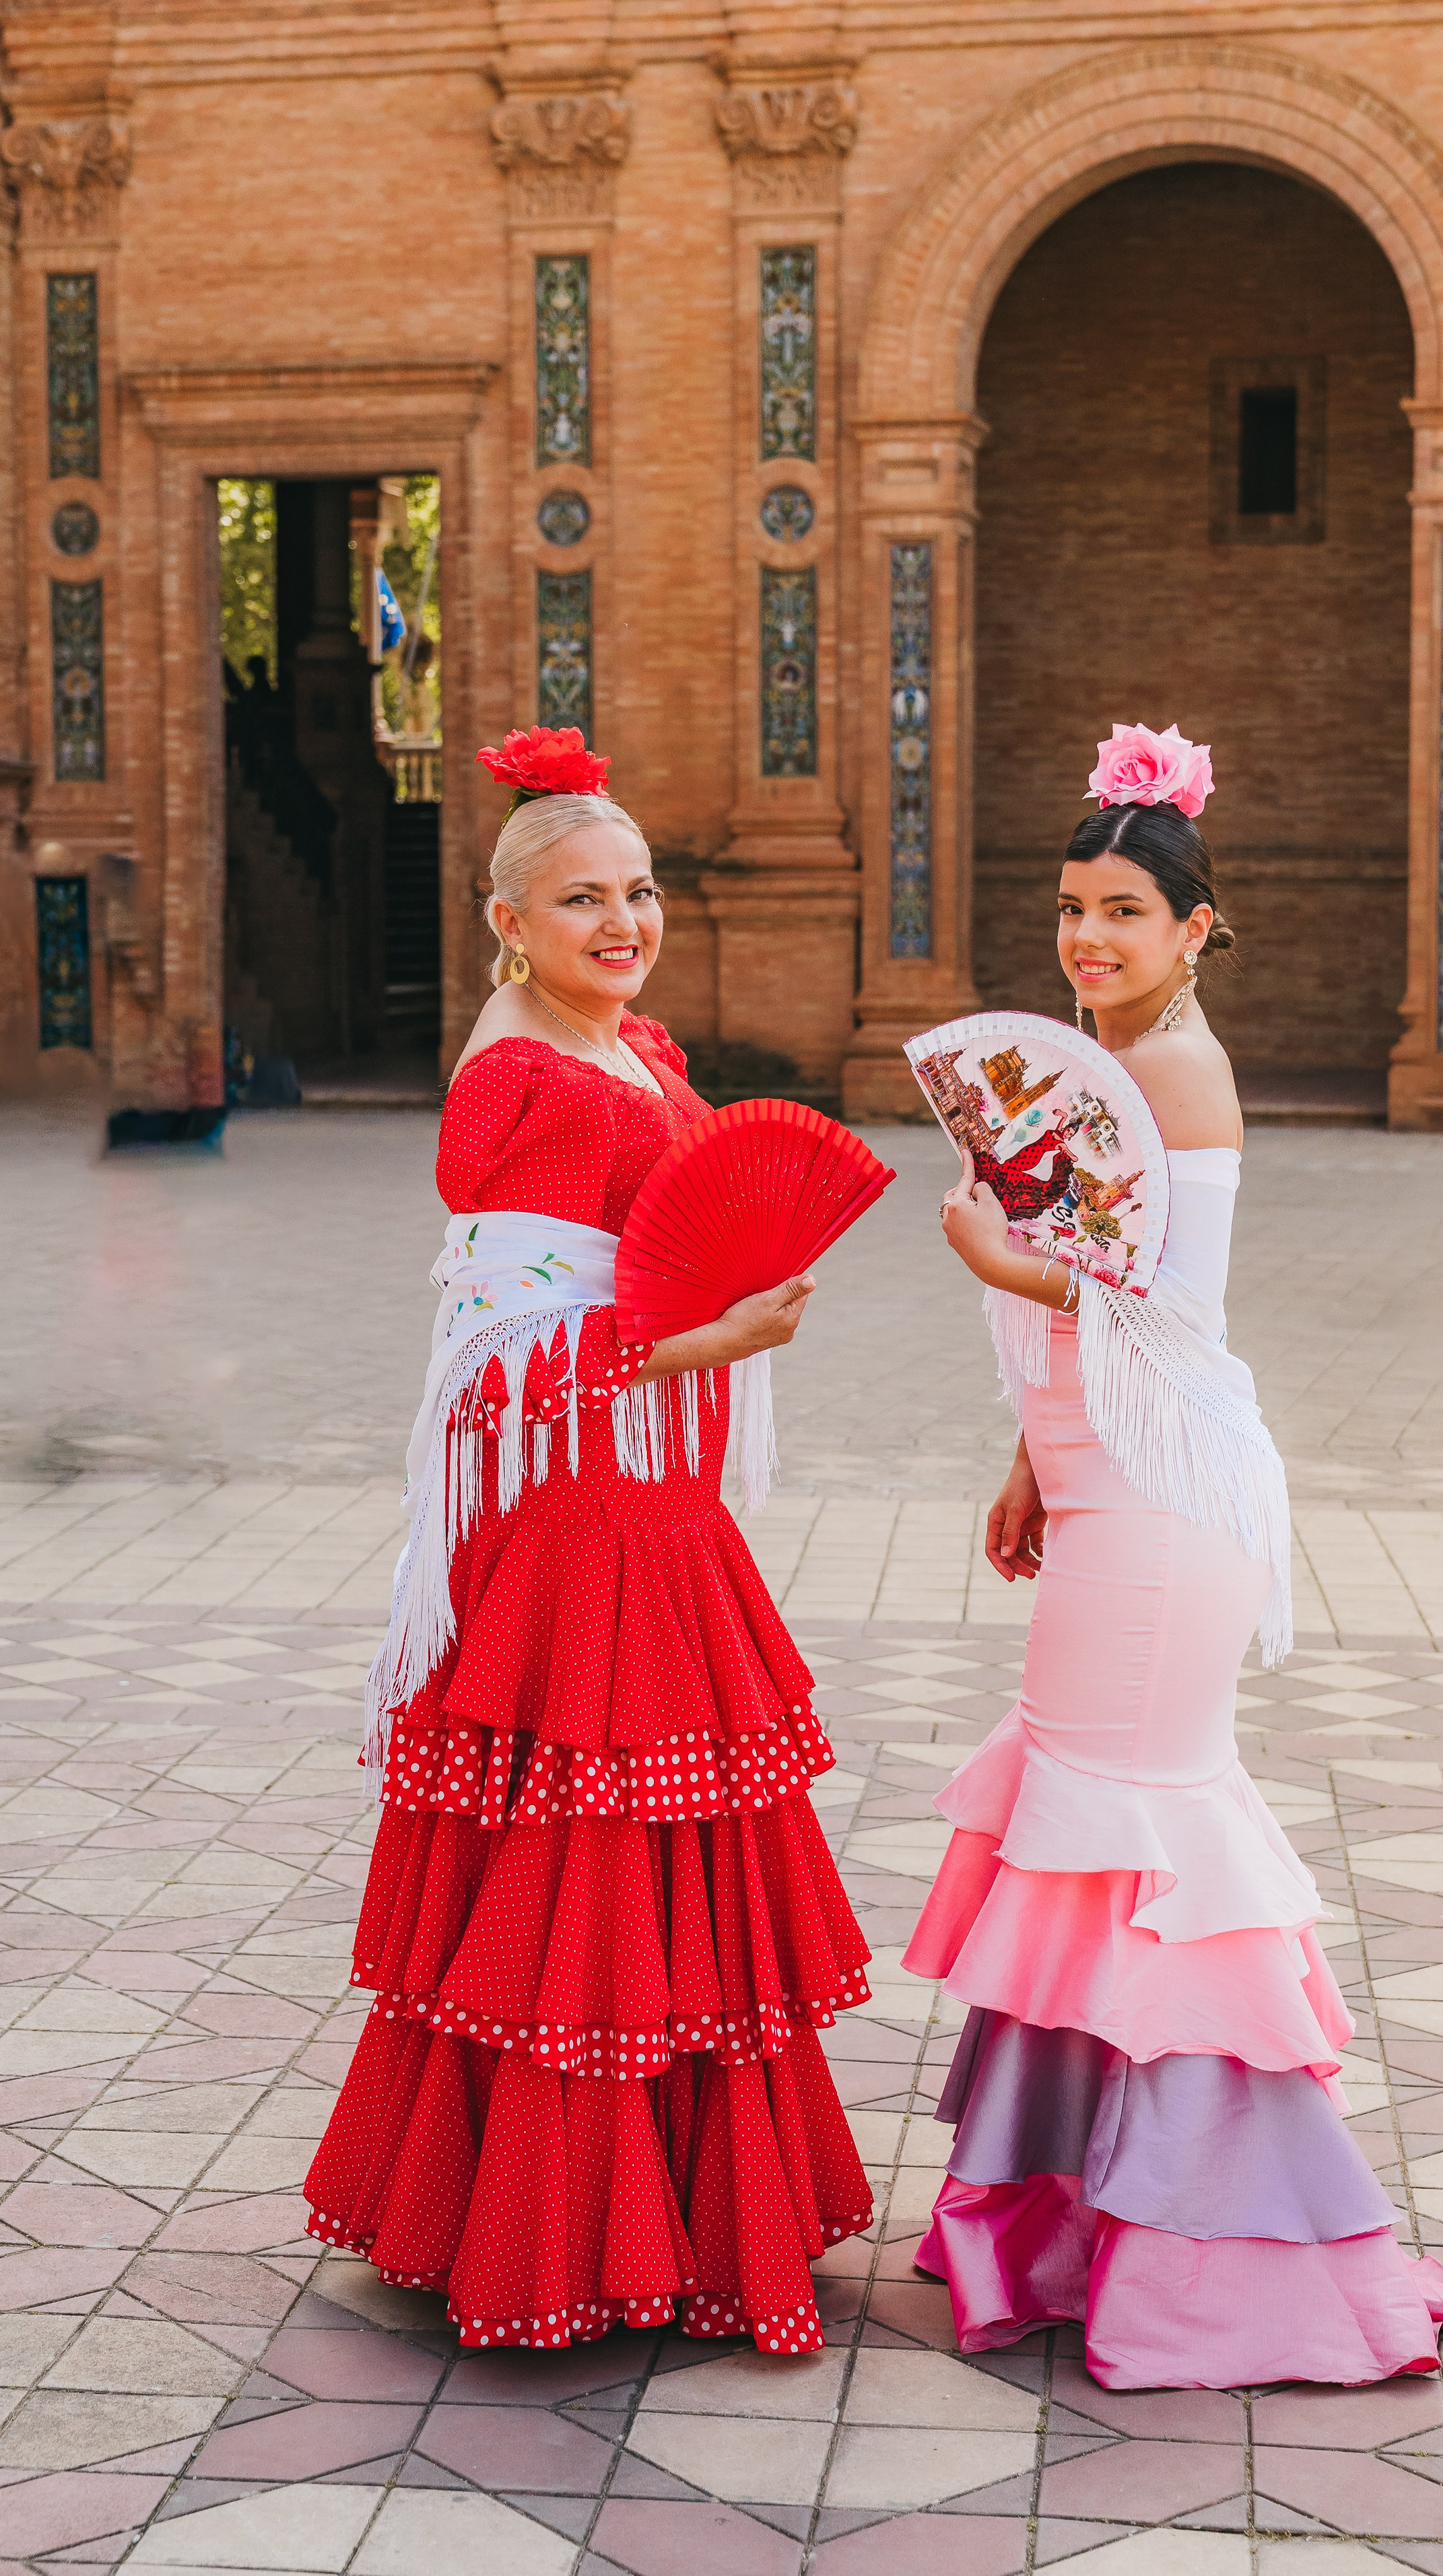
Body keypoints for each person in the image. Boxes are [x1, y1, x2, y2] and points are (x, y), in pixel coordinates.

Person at [903, 722, 1443, 2387]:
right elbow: (1095, 1312)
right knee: (1089, 1853)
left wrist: (995, 1264)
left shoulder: (1175, 1073)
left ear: (1193, 927)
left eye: (1124, 914)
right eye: (1069, 908)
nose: (1087, 938)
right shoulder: (1106, 1058)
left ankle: (1219, 2255)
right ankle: (1077, 2220)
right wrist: (1029, 1456)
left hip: (1163, 1516)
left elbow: (1162, 1305)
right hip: (1104, 1486)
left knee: (1133, 1846)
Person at [304, 727, 872, 2356]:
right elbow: (497, 1372)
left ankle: (671, 2212)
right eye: (581, 901)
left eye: (639, 891)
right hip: (578, 1532)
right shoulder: (525, 1084)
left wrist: (715, 1324)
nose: (623, 923)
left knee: (665, 1863)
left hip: (654, 1509)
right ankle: (559, 2237)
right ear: (507, 922)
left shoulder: (623, 1048)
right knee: (590, 1882)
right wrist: (711, 1341)